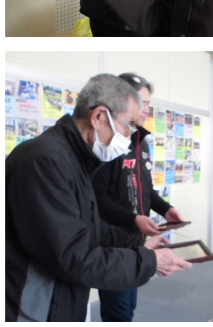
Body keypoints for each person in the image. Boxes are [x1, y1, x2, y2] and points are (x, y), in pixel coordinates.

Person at [5, 74, 191, 322]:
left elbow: (87, 225)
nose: (129, 138)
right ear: (99, 117)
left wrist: (137, 245)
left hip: (62, 296)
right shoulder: (45, 161)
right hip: (35, 306)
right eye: (129, 125)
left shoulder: (77, 158)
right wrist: (148, 262)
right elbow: (73, 256)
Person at [92, 73, 185, 322]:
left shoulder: (141, 141)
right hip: (112, 243)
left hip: (137, 242)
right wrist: (133, 219)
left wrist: (166, 209)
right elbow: (98, 198)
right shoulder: (109, 142)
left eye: (148, 103)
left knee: (128, 308)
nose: (146, 110)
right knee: (118, 313)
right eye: (141, 103)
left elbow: (146, 189)